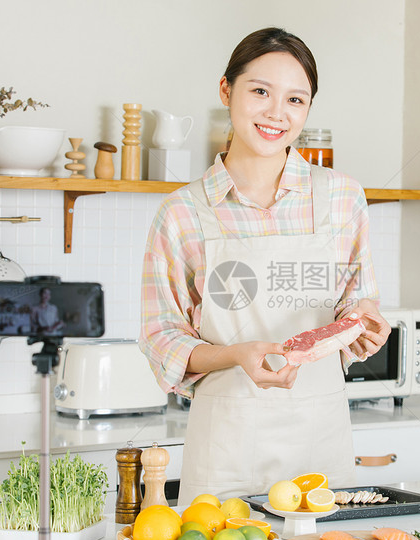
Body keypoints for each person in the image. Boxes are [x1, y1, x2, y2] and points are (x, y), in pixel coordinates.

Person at [140, 27, 390, 504]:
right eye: (260, 92)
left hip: (322, 450)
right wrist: (236, 354)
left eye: (296, 100)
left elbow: (358, 301)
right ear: (225, 90)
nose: (277, 113)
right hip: (224, 453)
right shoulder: (182, 212)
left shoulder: (341, 196)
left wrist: (367, 326)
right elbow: (160, 337)